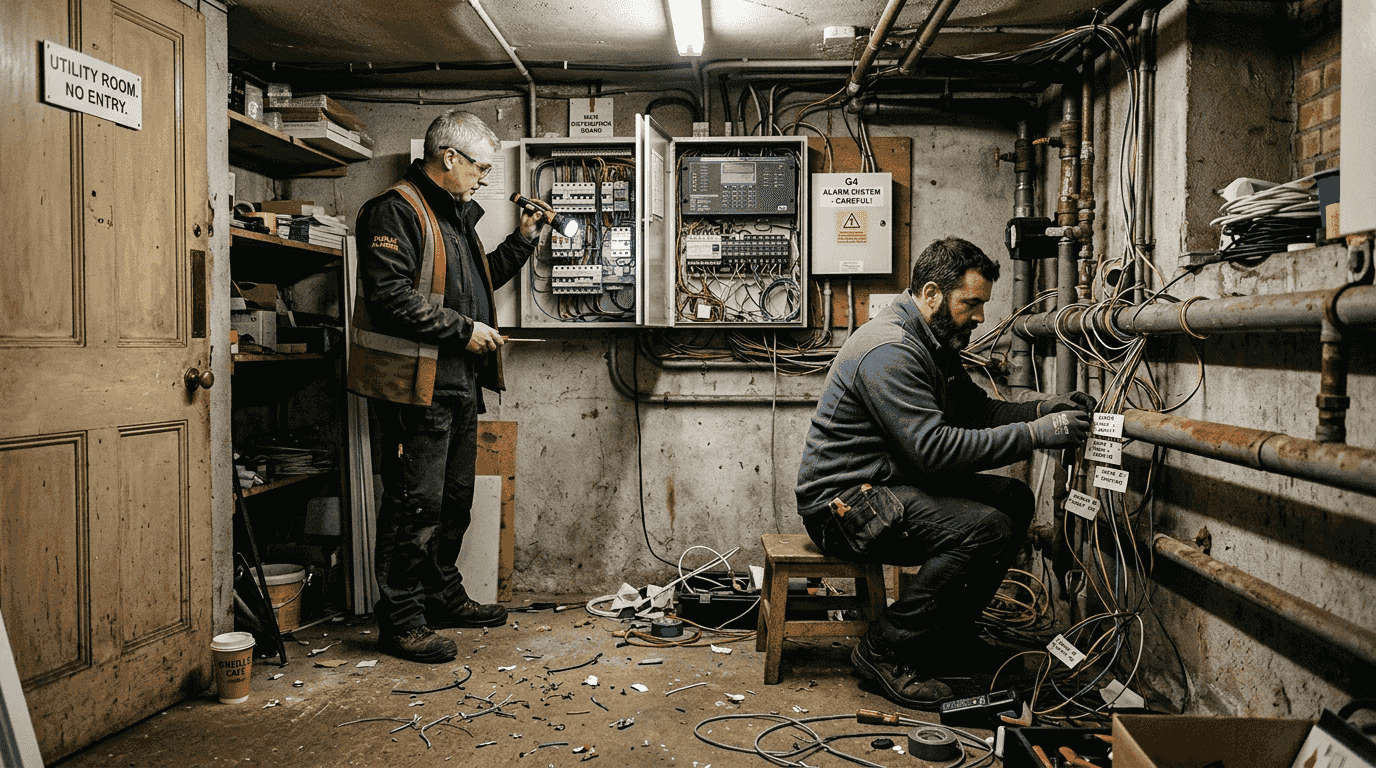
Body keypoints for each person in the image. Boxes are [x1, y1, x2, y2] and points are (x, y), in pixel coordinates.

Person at [795, 237, 1092, 709]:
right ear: (932, 294)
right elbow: (933, 451)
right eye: (969, 303)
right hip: (845, 506)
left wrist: (1044, 408)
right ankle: (886, 649)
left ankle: (945, 638)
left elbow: (977, 412)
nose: (978, 317)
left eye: (981, 305)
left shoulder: (933, 341)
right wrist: (1039, 433)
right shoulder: (890, 349)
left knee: (1013, 500)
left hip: (890, 485)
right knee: (985, 530)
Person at [347, 109, 554, 663]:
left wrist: (523, 241)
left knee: (454, 502)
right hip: (416, 385)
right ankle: (402, 621)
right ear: (449, 158)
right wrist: (465, 330)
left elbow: (472, 282)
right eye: (480, 168)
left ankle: (440, 597)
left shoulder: (455, 215)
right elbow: (391, 298)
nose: (484, 177)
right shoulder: (394, 211)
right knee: (416, 505)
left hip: (458, 384)